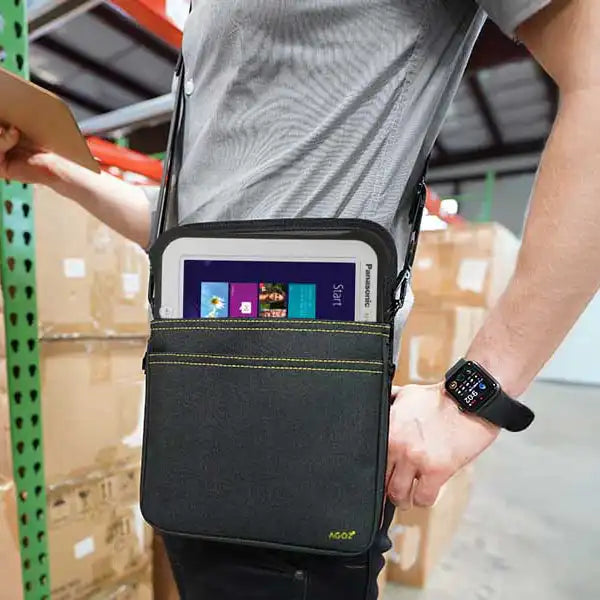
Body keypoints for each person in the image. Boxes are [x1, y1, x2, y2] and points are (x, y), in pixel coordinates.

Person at [1, 0, 599, 597]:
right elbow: (198, 232)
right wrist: (57, 171)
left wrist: (476, 397)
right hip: (192, 427)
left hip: (297, 443)